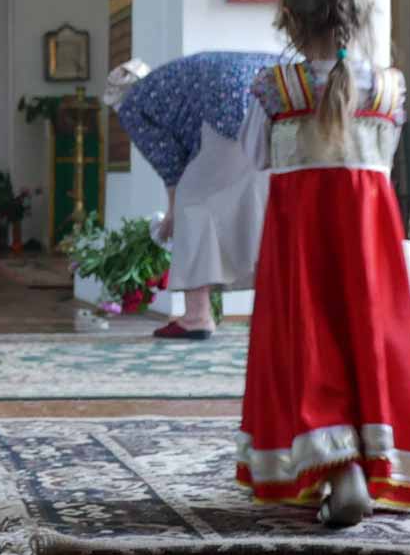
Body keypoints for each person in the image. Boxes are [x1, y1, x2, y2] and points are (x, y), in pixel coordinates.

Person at [237, 0, 410, 527]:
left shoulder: (278, 90)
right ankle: (373, 464)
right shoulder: (388, 90)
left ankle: (336, 470)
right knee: (370, 342)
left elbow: (253, 159)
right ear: (358, 13)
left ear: (290, 20)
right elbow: (386, 163)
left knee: (309, 345)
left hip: (300, 249)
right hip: (371, 253)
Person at [103, 51, 279, 339]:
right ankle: (276, 310)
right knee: (258, 204)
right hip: (273, 95)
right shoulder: (169, 81)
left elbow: (170, 164)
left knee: (193, 205)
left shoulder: (134, 104)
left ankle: (197, 316)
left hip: (229, 102)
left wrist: (172, 214)